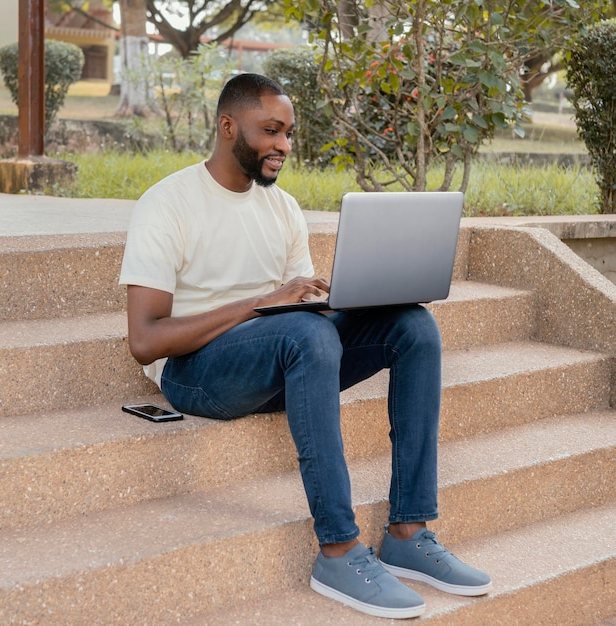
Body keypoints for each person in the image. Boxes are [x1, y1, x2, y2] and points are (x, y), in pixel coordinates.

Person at [119, 73, 491, 619]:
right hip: (197, 373)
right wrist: (263, 302)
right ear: (228, 127)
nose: (284, 147)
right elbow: (145, 340)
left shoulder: (284, 209)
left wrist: (353, 301)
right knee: (307, 331)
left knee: (413, 328)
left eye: (289, 133)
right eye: (271, 131)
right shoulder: (168, 204)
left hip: (284, 355)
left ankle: (408, 532)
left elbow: (296, 313)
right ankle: (338, 549)